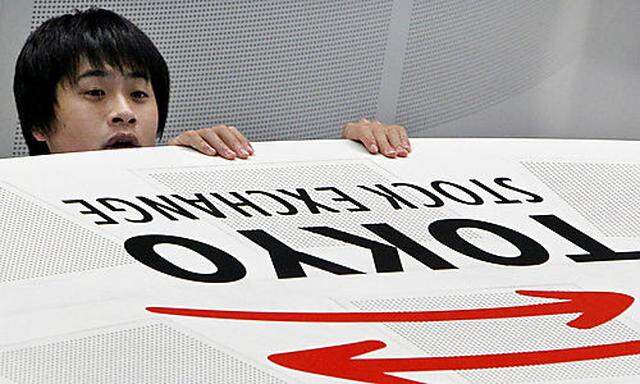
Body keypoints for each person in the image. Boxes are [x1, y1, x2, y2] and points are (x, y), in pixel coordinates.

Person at [13, 8, 411, 160]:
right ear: (39, 123)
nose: (124, 113)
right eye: (96, 93)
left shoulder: (203, 169)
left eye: (139, 95)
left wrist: (358, 158)